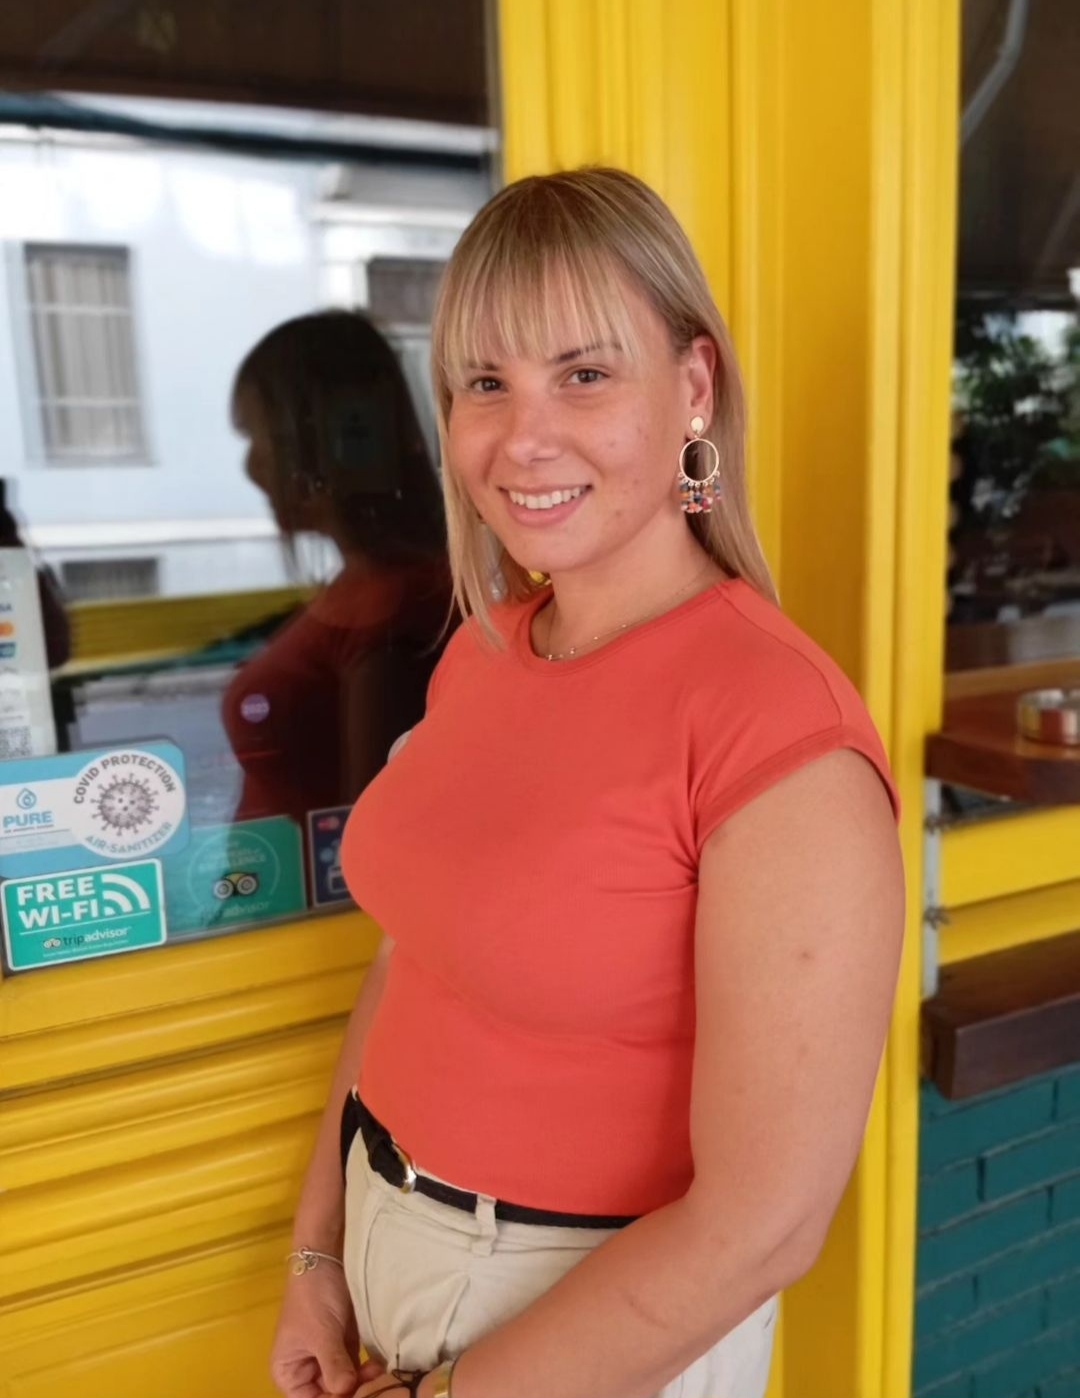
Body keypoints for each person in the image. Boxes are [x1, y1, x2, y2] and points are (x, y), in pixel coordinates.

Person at [270, 168, 905, 1398]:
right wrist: (320, 1253)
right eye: (483, 384)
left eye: (584, 373)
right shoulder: (485, 649)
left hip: (598, 1328)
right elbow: (411, 962)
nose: (523, 439)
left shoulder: (780, 735)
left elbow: (763, 1227)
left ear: (694, 386)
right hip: (389, 1243)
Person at [222, 311, 450, 837]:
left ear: (318, 443)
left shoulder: (389, 612)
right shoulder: (366, 592)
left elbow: (373, 828)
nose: (252, 467)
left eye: (257, 435)